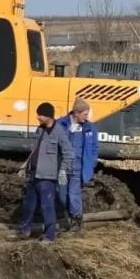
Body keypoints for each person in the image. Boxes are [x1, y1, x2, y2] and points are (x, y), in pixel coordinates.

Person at [17, 103, 73, 244]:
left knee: (47, 206)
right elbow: (35, 149)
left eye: (40, 114)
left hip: (47, 177)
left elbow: (69, 153)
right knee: (28, 204)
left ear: (48, 116)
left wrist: (62, 171)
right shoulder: (40, 130)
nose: (37, 117)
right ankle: (23, 231)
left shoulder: (59, 132)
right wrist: (26, 165)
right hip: (34, 173)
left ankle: (49, 236)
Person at [56, 97, 99, 233]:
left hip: (78, 168)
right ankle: (65, 220)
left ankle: (77, 223)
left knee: (74, 194)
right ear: (76, 113)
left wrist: (91, 165)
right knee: (62, 195)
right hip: (62, 168)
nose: (87, 117)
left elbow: (94, 149)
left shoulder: (90, 128)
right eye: (85, 114)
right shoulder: (60, 125)